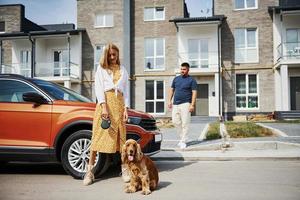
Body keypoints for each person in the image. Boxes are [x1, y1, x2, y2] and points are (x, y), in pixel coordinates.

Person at [83, 43, 130, 186]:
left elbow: (126, 91)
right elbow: (98, 89)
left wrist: (126, 109)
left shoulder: (123, 69)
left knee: (121, 140)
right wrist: (104, 106)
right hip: (105, 105)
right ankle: (89, 172)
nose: (112, 57)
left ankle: (125, 169)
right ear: (106, 56)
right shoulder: (101, 69)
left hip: (119, 105)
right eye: (110, 55)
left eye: (114, 54)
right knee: (97, 138)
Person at [168, 62, 197, 149]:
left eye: (184, 69)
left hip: (186, 104)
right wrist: (169, 101)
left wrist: (192, 105)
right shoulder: (176, 79)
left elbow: (194, 93)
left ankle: (183, 141)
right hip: (176, 103)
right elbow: (172, 90)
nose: (182, 71)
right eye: (181, 69)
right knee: (175, 121)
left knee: (185, 123)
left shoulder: (192, 80)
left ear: (188, 70)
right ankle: (182, 138)